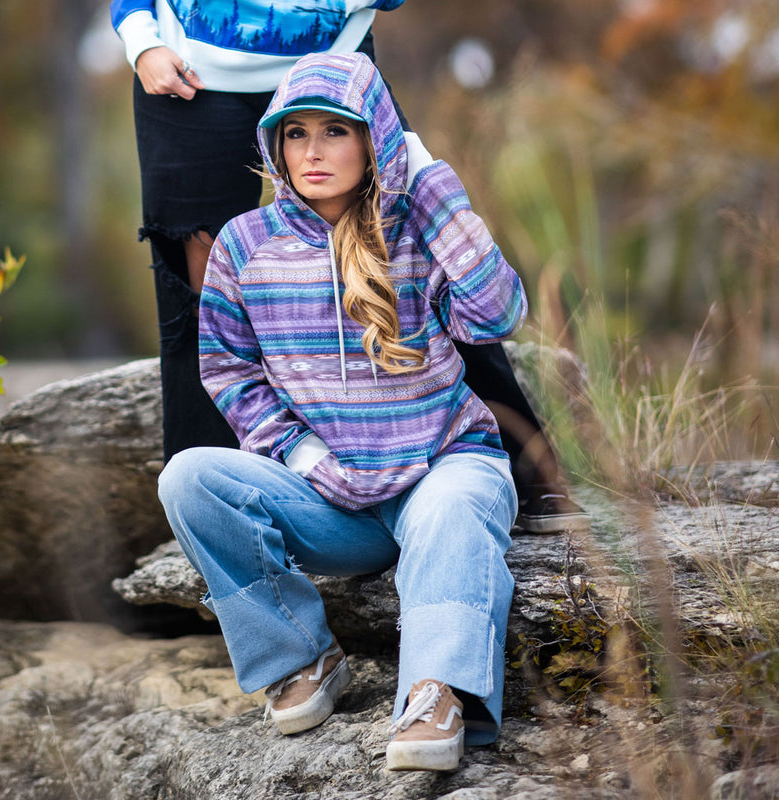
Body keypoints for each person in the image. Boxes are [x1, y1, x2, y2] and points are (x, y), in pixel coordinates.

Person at [158, 51, 526, 771]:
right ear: (274, 144)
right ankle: (302, 657)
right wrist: (303, 457)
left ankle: (434, 694)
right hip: (334, 503)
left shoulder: (414, 227)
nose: (314, 152)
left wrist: (429, 181)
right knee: (189, 479)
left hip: (440, 474)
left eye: (336, 131)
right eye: (296, 134)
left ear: (374, 141)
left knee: (454, 508)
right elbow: (229, 371)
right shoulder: (245, 244)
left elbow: (498, 312)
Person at [110, 0, 589, 534]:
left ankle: (528, 471)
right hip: (187, 67)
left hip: (335, 62)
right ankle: (214, 511)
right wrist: (140, 36)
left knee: (415, 251)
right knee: (196, 292)